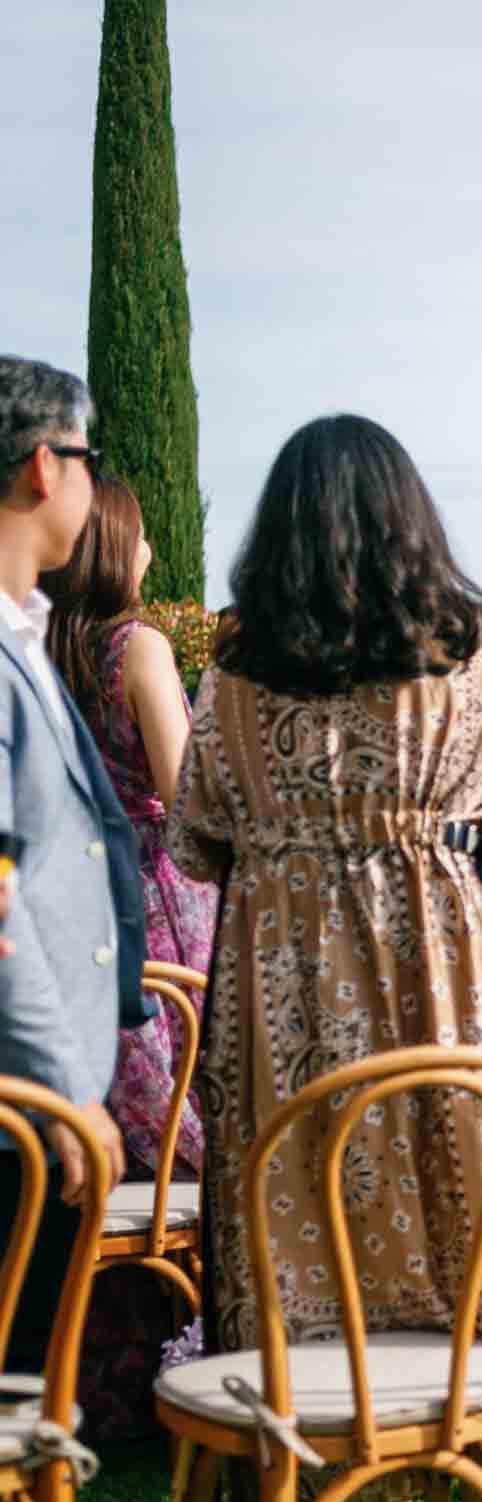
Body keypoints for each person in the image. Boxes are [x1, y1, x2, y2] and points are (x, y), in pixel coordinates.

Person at [167, 415, 482, 1502]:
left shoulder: (238, 677)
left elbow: (199, 833)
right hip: (443, 995)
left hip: (284, 1006)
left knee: (295, 1257)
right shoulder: (467, 663)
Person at [0, 358, 141, 1371]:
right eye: (91, 461)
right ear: (45, 467)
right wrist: (66, 1088)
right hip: (24, 1111)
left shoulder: (29, 636)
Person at [42, 473, 218, 1177]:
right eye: (140, 535)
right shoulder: (138, 645)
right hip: (153, 889)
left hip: (72, 889)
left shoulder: (44, 643)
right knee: (184, 1079)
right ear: (116, 546)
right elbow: (184, 792)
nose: (148, 549)